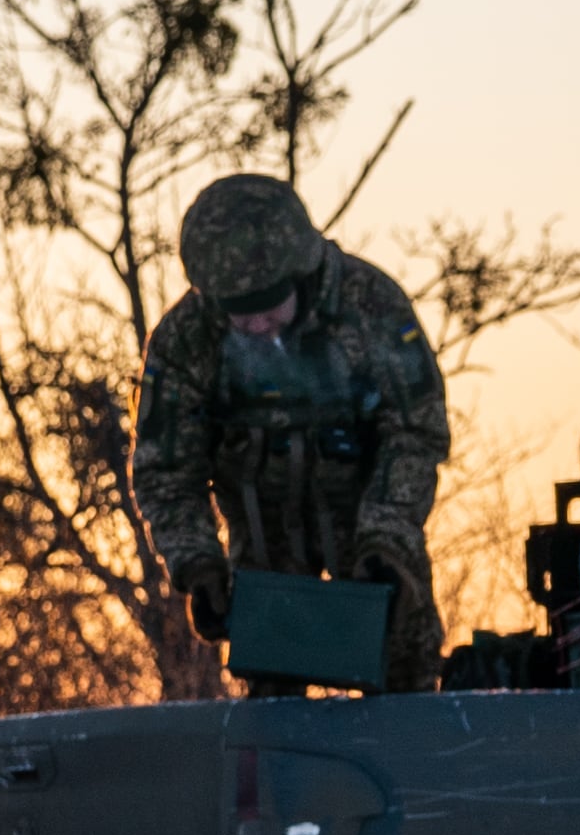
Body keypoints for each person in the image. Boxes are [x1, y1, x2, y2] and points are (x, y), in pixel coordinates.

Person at [133, 173, 453, 692]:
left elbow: (415, 433)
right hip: (264, 539)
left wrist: (388, 536)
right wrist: (197, 563)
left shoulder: (370, 306)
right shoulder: (186, 340)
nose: (257, 324)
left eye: (268, 305)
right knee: (273, 701)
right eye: (240, 313)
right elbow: (166, 470)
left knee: (405, 671)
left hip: (370, 524)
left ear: (302, 277)